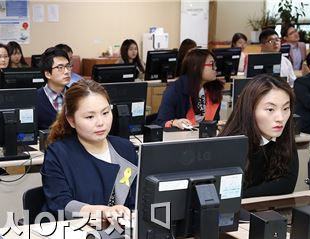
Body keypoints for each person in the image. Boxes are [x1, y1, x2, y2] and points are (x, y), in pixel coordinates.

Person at [41, 79, 138, 220]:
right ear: (71, 120)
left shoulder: (126, 149)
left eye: (105, 113)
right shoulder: (58, 154)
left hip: (123, 233)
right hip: (75, 233)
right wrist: (102, 211)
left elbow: (138, 199)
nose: (101, 122)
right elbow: (60, 203)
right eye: (90, 117)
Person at [219, 74, 298, 198]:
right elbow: (228, 195)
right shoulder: (230, 145)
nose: (280, 118)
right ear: (250, 110)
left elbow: (287, 185)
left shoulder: (283, 135)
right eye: (270, 110)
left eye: (285, 108)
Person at [155, 49, 224, 128]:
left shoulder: (213, 90)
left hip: (205, 136)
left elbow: (214, 120)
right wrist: (174, 122)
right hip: (181, 137)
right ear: (196, 67)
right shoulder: (175, 90)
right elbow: (161, 122)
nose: (215, 68)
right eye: (212, 64)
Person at [36, 47, 72, 130]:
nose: (67, 71)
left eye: (68, 66)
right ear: (48, 74)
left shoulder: (76, 95)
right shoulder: (35, 99)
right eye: (60, 67)